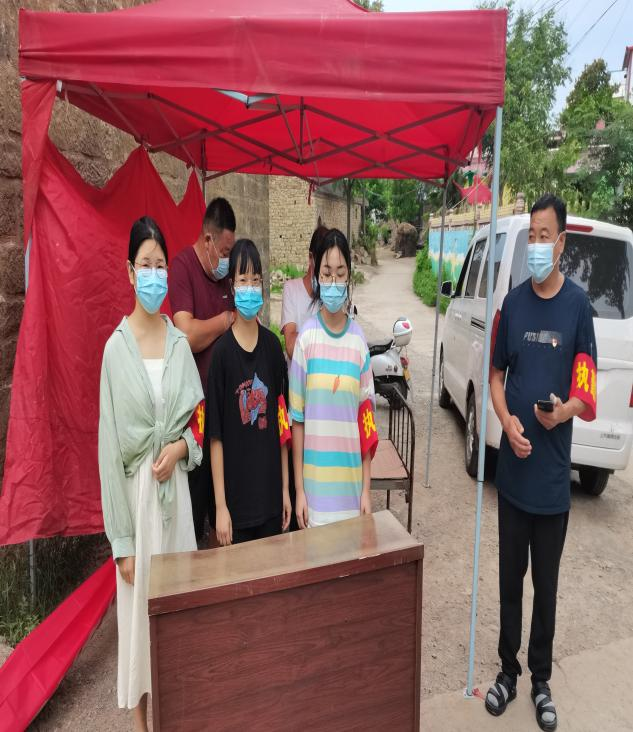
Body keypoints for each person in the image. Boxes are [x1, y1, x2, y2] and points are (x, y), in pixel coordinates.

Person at [485, 194, 597, 732]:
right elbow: (495, 377)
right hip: (513, 479)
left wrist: (562, 413)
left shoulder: (578, 309)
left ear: (562, 243)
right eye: (530, 235)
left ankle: (541, 681)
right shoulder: (512, 305)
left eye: (544, 235)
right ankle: (507, 672)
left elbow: (586, 391)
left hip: (552, 484)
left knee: (544, 588)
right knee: (510, 582)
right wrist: (507, 421)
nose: (535, 244)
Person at [99, 217, 204, 731]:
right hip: (138, 503)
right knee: (138, 614)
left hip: (175, 498)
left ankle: (180, 712)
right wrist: (121, 542)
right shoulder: (114, 350)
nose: (155, 275)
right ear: (130, 271)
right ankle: (141, 722)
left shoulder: (179, 344)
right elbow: (107, 450)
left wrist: (181, 447)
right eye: (146, 265)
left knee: (179, 606)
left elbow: (198, 422)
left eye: (161, 264)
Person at [289, 228, 378, 529]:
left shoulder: (358, 342)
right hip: (314, 499)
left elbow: (366, 419)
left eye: (340, 273)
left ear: (349, 277)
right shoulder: (306, 340)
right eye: (327, 273)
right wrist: (300, 491)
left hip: (351, 496)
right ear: (316, 276)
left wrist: (366, 489)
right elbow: (297, 421)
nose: (333, 281)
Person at [207, 239, 292, 545]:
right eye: (243, 280)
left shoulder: (273, 348)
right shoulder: (221, 355)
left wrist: (285, 490)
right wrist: (220, 507)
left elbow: (282, 426)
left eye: (256, 280)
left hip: (270, 502)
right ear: (232, 286)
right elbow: (215, 437)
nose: (250, 288)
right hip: (236, 509)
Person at [169, 197, 236, 542]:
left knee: (225, 508)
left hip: (226, 411)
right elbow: (186, 335)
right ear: (207, 240)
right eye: (224, 252)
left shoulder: (224, 278)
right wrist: (224, 321)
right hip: (194, 417)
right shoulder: (182, 268)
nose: (226, 260)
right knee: (195, 508)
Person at [280, 225, 328, 361]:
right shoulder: (291, 289)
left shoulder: (331, 296)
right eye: (321, 266)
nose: (324, 274)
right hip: (298, 374)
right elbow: (291, 348)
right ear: (310, 257)